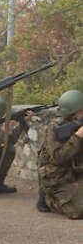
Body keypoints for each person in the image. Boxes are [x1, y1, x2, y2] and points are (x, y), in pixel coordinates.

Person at [37, 89, 83, 219]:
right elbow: (57, 158)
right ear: (72, 112)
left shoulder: (76, 123)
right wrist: (77, 137)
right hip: (57, 177)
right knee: (78, 211)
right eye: (82, 110)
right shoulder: (55, 128)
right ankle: (49, 200)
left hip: (74, 172)